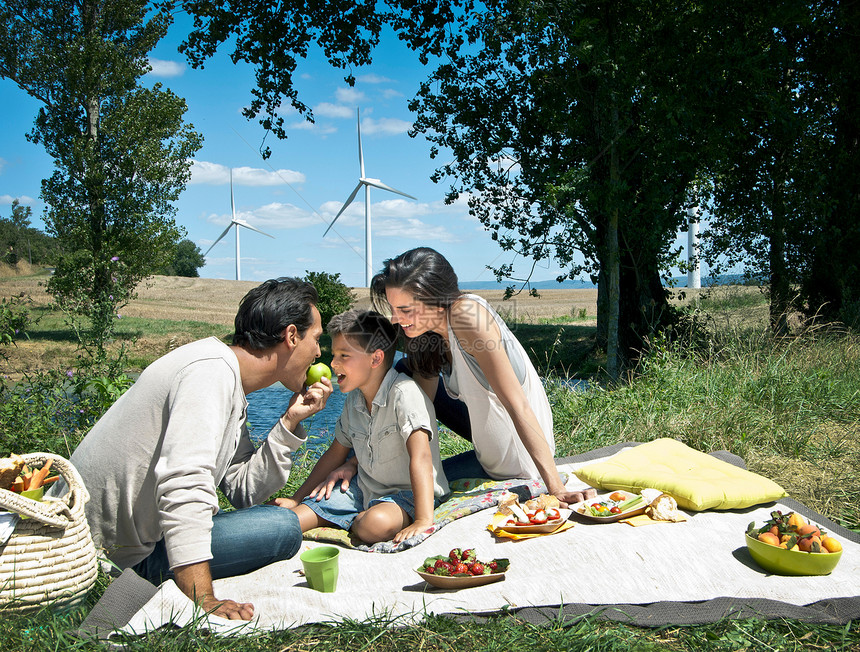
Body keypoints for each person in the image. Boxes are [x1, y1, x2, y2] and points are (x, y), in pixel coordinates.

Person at [60, 278, 333, 620]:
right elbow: (184, 482)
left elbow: (244, 490)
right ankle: (165, 576)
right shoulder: (209, 373)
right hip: (106, 558)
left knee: (280, 525)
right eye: (317, 339)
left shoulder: (223, 377)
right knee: (283, 528)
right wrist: (204, 598)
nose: (319, 353)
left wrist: (290, 422)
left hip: (125, 545)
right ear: (291, 336)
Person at [369, 247, 596, 507]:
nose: (396, 319)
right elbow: (418, 409)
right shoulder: (429, 335)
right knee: (402, 374)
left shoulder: (467, 316)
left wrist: (554, 486)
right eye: (393, 309)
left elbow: (516, 403)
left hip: (519, 466)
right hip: (489, 459)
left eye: (405, 310)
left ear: (434, 297)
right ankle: (366, 462)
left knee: (395, 492)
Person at [273, 309, 449, 544]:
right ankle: (351, 516)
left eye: (344, 355)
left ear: (375, 359)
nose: (333, 364)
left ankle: (357, 520)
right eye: (334, 355)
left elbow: (422, 457)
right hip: (363, 490)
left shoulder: (404, 394)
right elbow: (335, 454)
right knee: (293, 519)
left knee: (373, 526)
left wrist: (423, 520)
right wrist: (297, 498)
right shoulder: (354, 401)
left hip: (410, 495)